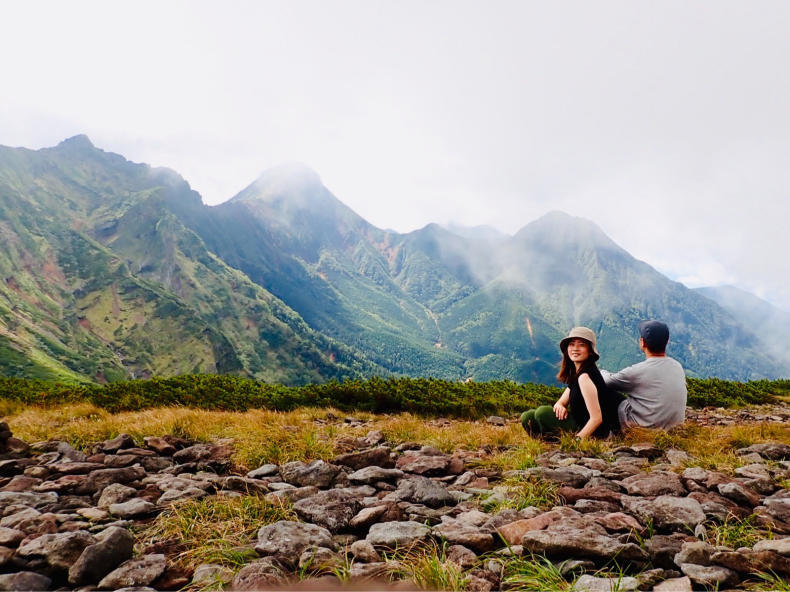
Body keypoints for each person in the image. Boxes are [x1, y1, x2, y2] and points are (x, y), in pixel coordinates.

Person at [521, 327, 624, 439]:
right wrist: (560, 405)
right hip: (579, 424)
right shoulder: (577, 374)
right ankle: (547, 442)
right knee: (528, 416)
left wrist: (577, 440)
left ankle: (561, 441)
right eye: (572, 344)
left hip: (594, 433)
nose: (575, 348)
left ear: (590, 351)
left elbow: (597, 418)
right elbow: (561, 401)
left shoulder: (585, 377)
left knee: (543, 412)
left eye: (581, 345)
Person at [600, 320, 687, 429]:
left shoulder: (637, 371)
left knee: (608, 392)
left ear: (642, 342)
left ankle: (602, 434)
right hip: (673, 429)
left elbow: (605, 381)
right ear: (667, 341)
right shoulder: (677, 366)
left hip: (644, 429)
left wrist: (602, 371)